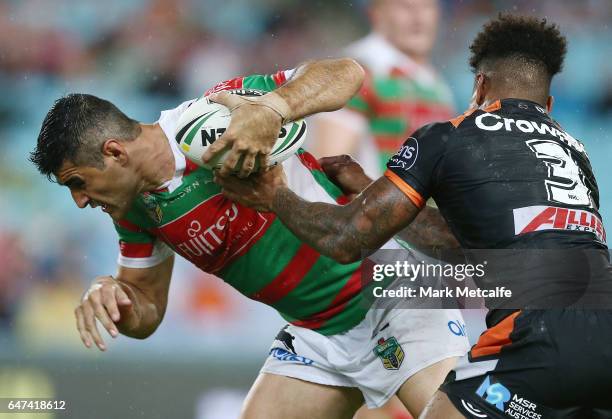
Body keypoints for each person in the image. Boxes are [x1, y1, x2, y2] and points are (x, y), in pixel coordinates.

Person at [216, 15, 612, 418]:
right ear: (548, 105)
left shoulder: (450, 136)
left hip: (538, 336)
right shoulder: (576, 154)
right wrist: (370, 186)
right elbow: (468, 249)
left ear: (479, 85)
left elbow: (345, 240)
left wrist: (276, 196)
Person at [30, 58, 469, 419]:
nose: (81, 202)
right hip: (317, 333)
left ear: (113, 152)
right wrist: (110, 293)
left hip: (391, 297)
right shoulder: (133, 210)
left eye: (78, 182)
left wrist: (273, 107)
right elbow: (147, 312)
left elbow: (347, 75)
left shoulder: (216, 115)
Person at [310, 0, 454, 178]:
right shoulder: (355, 72)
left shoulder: (435, 82)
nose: (419, 18)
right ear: (376, 13)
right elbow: (326, 168)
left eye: (426, 6)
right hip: (377, 203)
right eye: (406, 7)